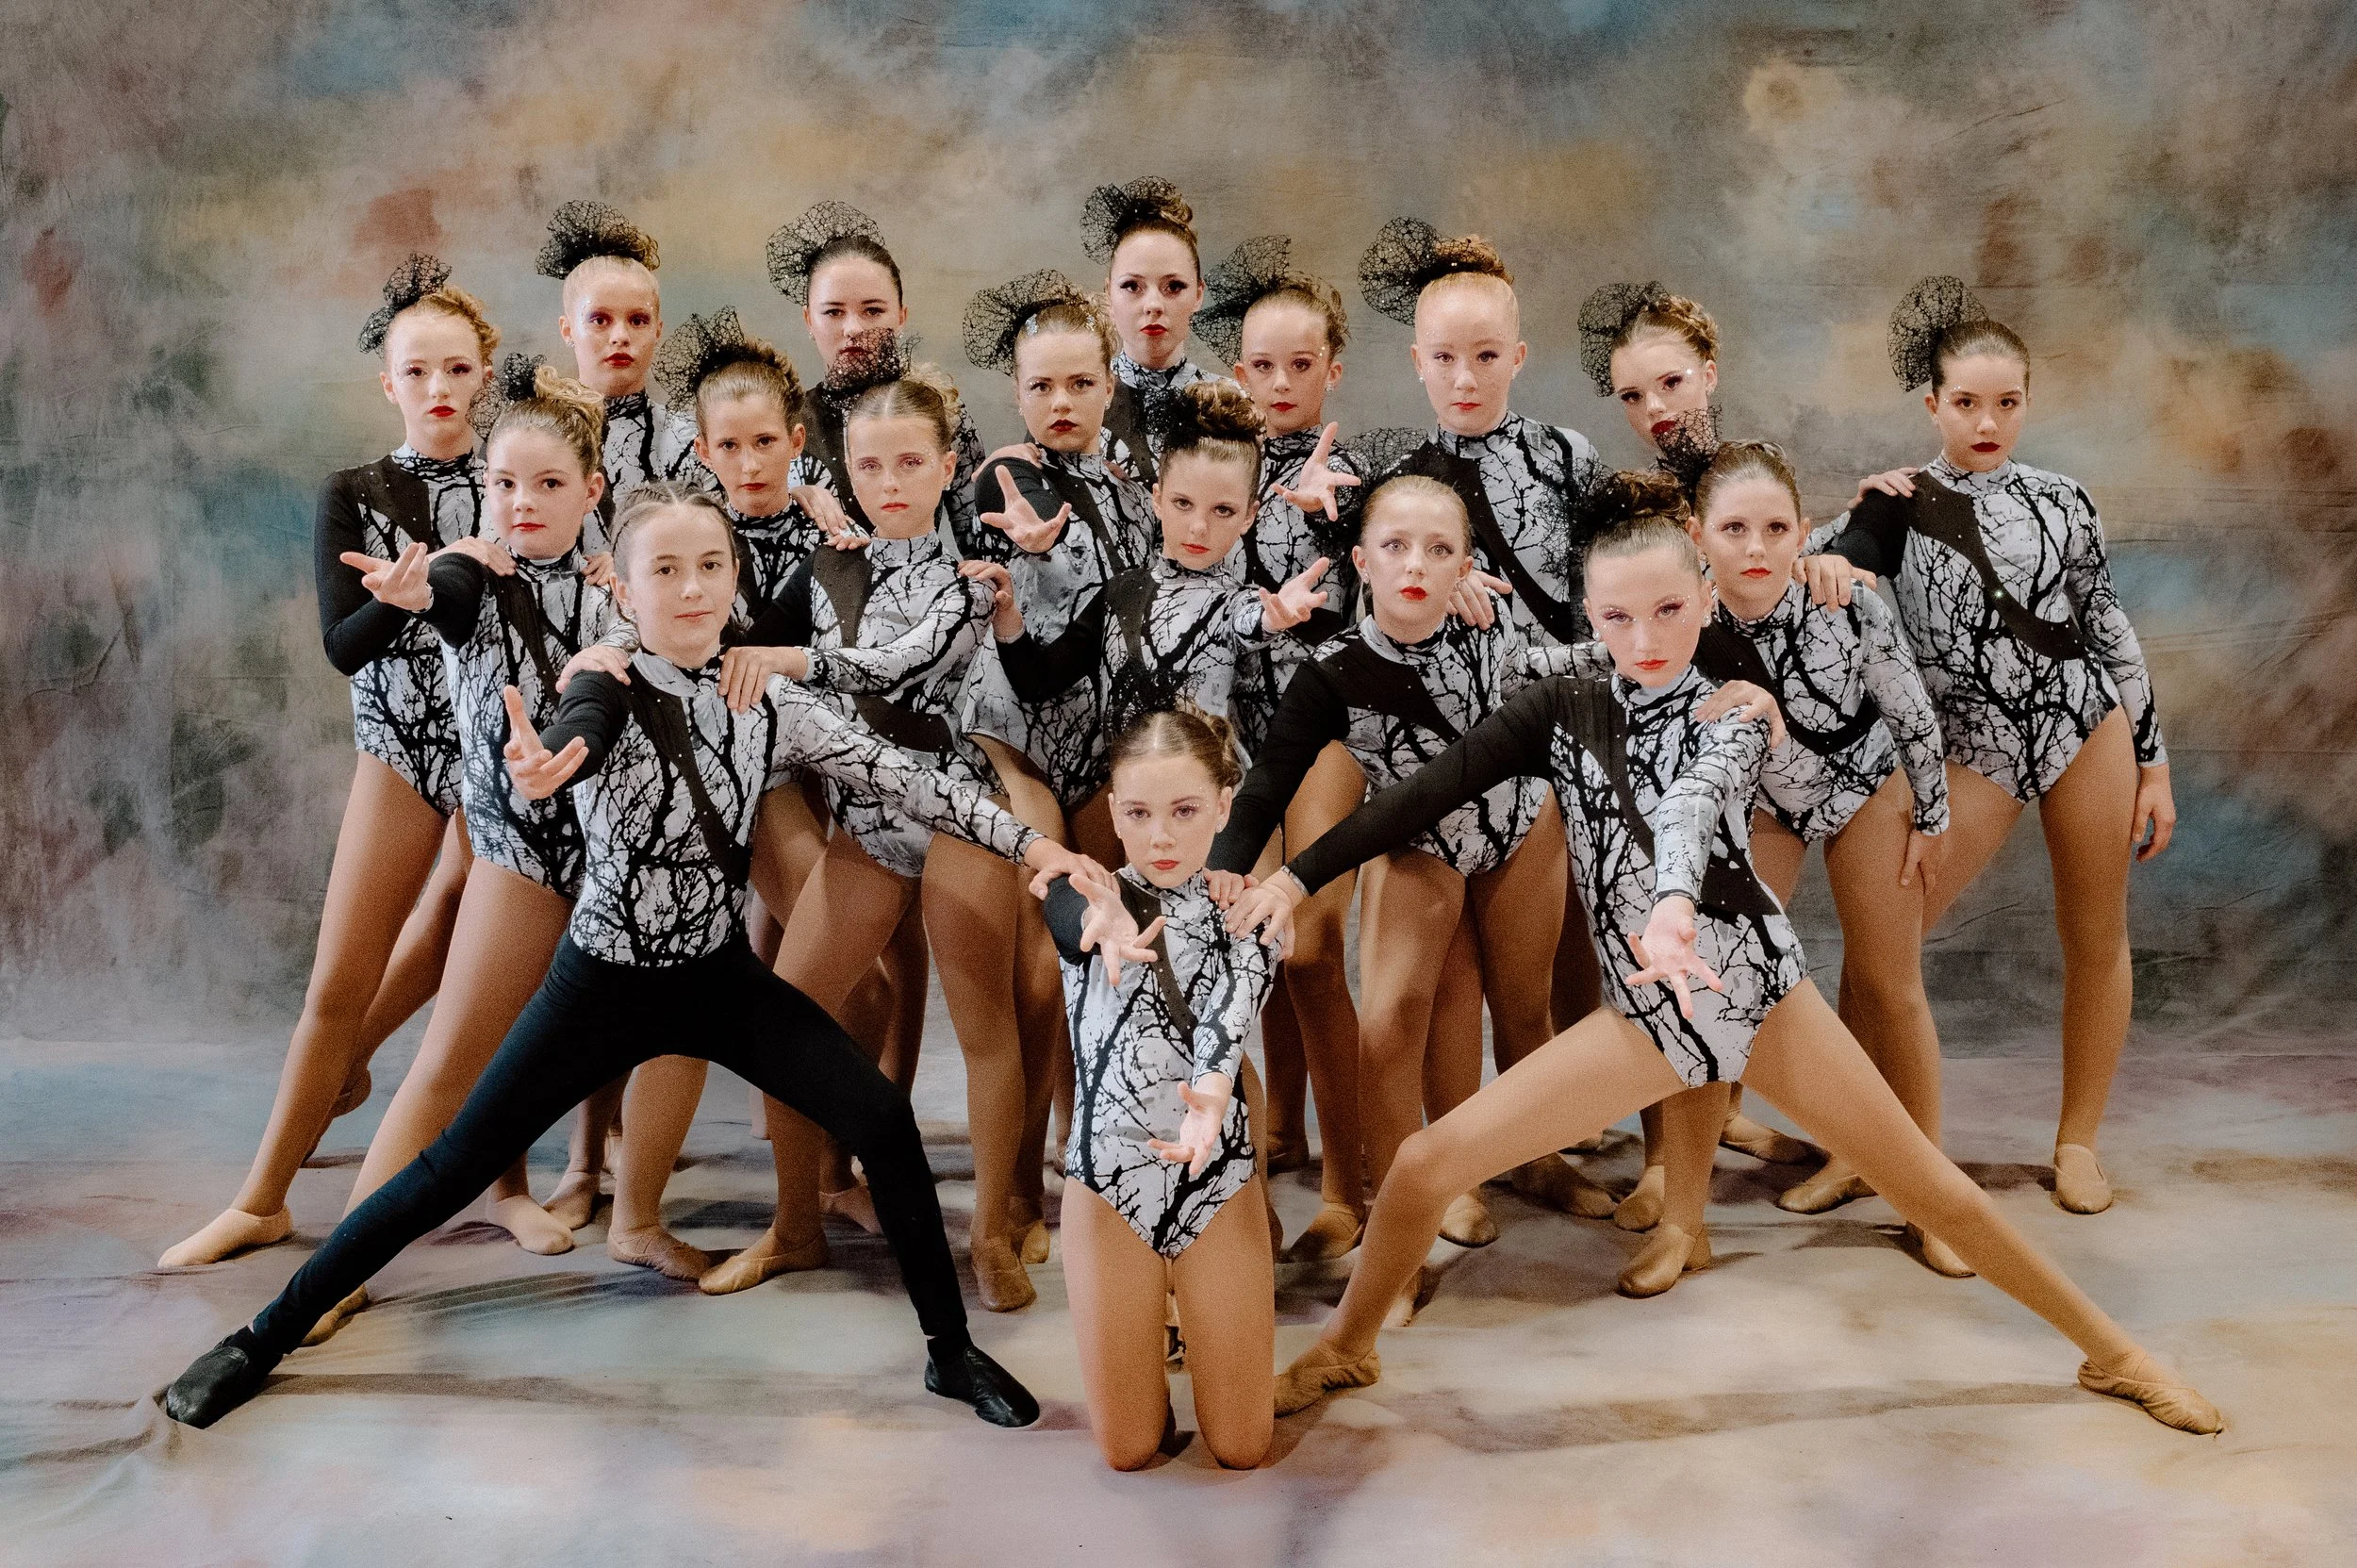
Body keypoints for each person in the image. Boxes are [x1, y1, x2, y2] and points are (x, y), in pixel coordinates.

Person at [1220, 479, 2218, 1436]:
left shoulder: (1734, 710)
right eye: (1618, 618)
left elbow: (1692, 810)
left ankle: (2113, 1352)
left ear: (1704, 596)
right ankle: (1348, 1347)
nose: (1645, 639)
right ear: (1589, 616)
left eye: (1667, 609)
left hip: (1753, 991)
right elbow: (1421, 795)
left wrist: (1668, 909)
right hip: (1650, 1016)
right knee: (1422, 1164)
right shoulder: (1561, 700)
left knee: (1935, 1189)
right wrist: (1294, 877)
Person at [161, 487, 1091, 1432]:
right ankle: (261, 1338)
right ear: (627, 590)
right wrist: (551, 762)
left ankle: (948, 1351)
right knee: (447, 1167)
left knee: (884, 1121)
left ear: (734, 579)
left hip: (717, 982)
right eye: (666, 570)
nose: (691, 589)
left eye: (710, 567)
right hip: (601, 985)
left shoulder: (765, 697)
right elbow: (582, 729)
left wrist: (1033, 847)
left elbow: (907, 779)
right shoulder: (603, 680)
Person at [1800, 276, 2176, 1215]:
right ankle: (1858, 1143)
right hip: (1975, 741)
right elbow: (1798, 569)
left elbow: (2107, 626)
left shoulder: (2063, 499)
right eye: (1966, 402)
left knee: (2095, 933)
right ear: (1932, 404)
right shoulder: (1895, 503)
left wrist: (2153, 760)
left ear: (2027, 402)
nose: (1987, 421)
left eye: (2007, 402)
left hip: (2084, 723)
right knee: (1883, 940)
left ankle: (2077, 1140)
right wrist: (1836, 527)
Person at [160, 256, 490, 1268]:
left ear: (484, 374)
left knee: (462, 927)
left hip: (494, 752)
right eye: (417, 371)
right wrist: (400, 602)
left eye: (457, 368)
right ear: (389, 383)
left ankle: (368, 1084)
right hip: (400, 748)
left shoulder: (513, 479)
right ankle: (262, 1197)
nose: (439, 387)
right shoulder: (354, 491)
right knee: (338, 976)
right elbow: (343, 646)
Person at [300, 356, 622, 1343]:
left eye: (547, 483)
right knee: (449, 1064)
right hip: (521, 863)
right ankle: (338, 1266)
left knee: (598, 1050)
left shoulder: (613, 586)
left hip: (614, 870)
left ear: (592, 492)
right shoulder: (471, 578)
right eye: (505, 482)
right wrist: (408, 594)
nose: (522, 502)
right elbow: (441, 597)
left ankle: (625, 1205)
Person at [1191, 236, 1372, 1250]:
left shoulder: (1354, 477)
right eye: (1261, 365)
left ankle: (1347, 1187)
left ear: (1332, 369)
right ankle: (1281, 1130)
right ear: (1237, 371)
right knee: (1250, 935)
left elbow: (1386, 601)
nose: (1280, 384)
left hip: (1328, 726)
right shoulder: (1221, 470)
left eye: (1301, 364)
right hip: (1239, 735)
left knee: (1310, 947)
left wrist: (1333, 526)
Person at [1043, 706, 1282, 1470]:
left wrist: (1211, 1089)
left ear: (1223, 805)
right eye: (1140, 814)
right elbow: (1061, 905)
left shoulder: (1246, 907)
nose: (1161, 838)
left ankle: (1190, 1318)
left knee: (1242, 1446)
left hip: (1217, 1177)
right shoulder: (1088, 897)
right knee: (1129, 1448)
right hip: (1110, 1187)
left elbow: (1233, 1009)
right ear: (1113, 812)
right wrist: (1096, 913)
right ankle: (1154, 1329)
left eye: (1184, 811)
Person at [1080, 176, 1211, 487]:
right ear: (1109, 293)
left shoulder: (1234, 404)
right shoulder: (1076, 399)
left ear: (1198, 295)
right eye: (1132, 286)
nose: (1153, 305)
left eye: (1173, 287)